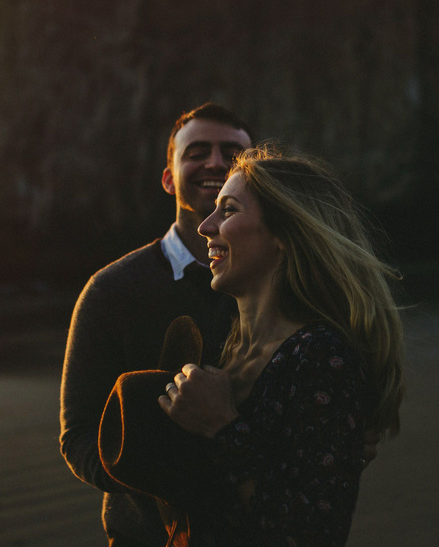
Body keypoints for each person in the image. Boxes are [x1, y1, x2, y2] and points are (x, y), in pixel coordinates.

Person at [153, 144, 407, 546]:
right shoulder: (220, 346)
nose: (206, 225)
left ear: (285, 235)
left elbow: (314, 533)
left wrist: (221, 427)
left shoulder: (321, 356)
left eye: (230, 210)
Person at [59, 103, 255, 546]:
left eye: (232, 154)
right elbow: (78, 437)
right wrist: (168, 476)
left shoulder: (286, 285)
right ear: (168, 178)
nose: (215, 163)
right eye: (197, 152)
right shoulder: (111, 291)